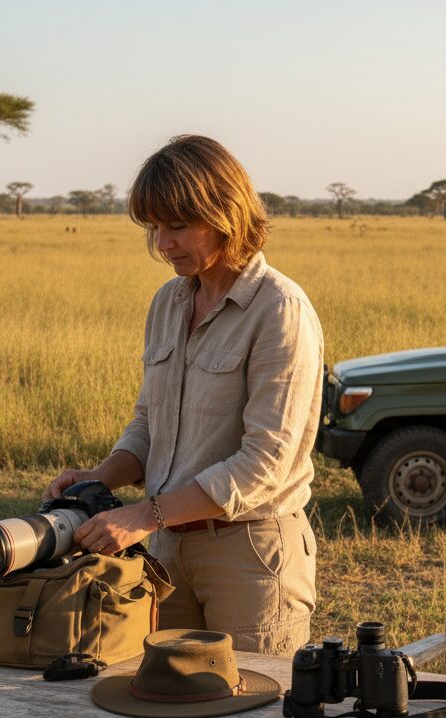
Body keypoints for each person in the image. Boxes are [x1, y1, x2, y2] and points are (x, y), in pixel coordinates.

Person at [44, 135, 324, 655]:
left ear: (226, 214)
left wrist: (141, 517)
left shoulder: (280, 309)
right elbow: (151, 422)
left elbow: (264, 462)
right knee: (162, 707)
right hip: (166, 547)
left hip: (249, 553)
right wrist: (100, 479)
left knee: (249, 714)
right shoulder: (168, 303)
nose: (162, 244)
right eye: (153, 228)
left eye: (177, 226)